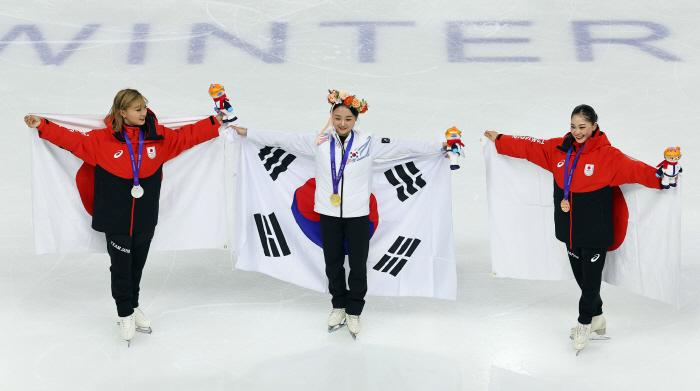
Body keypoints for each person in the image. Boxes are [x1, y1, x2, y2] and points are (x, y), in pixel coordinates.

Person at [231, 89, 447, 338]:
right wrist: (248, 133)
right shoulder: (319, 140)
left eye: (348, 119)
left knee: (357, 264)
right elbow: (284, 139)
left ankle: (354, 311)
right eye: (337, 118)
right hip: (328, 213)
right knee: (332, 263)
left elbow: (404, 146)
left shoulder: (369, 142)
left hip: (357, 215)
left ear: (356, 120)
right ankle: (338, 306)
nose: (342, 124)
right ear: (331, 116)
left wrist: (439, 146)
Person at [24, 89, 224, 346]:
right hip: (115, 217)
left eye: (144, 107)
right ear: (122, 112)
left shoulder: (159, 138)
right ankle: (124, 313)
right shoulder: (100, 141)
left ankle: (133, 304)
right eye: (137, 109)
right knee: (121, 267)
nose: (144, 113)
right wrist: (43, 125)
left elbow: (188, 136)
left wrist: (215, 123)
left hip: (145, 216)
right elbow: (70, 140)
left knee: (136, 266)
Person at [483, 104, 664, 354]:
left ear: (594, 127)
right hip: (569, 229)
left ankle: (584, 323)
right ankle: (597, 316)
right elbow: (530, 147)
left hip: (595, 232)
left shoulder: (608, 156)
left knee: (590, 283)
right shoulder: (559, 149)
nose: (577, 132)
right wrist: (501, 139)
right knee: (583, 279)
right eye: (573, 126)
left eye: (582, 127)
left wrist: (662, 176)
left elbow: (637, 170)